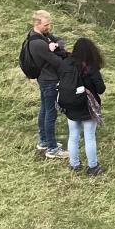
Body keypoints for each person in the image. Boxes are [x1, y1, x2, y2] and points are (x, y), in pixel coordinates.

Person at [24, 10, 70, 159]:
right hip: (49, 81)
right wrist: (57, 49)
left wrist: (55, 45)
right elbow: (57, 61)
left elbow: (61, 40)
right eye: (46, 24)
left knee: (44, 110)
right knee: (50, 114)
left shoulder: (42, 36)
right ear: (37, 24)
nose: (49, 27)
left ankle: (43, 141)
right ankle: (52, 148)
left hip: (45, 80)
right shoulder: (38, 43)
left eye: (50, 24)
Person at [61, 37, 107, 177]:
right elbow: (101, 89)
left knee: (73, 135)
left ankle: (74, 164)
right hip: (88, 106)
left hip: (71, 104)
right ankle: (92, 167)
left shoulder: (66, 64)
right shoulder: (90, 67)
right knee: (89, 137)